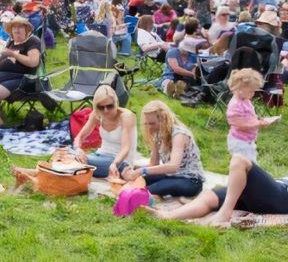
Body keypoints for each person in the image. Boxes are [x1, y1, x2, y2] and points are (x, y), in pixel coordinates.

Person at [145, 154, 288, 225]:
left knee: (240, 160)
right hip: (274, 188)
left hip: (281, 196)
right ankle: (167, 216)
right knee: (209, 196)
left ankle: (224, 213)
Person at [0, 16, 42, 132]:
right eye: (14, 27)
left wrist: (14, 54)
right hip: (3, 78)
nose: (17, 30)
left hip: (24, 80)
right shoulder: (11, 41)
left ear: (26, 29)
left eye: (20, 27)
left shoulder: (33, 41)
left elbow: (33, 62)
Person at [122, 101, 205, 197]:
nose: (149, 127)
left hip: (189, 180)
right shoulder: (158, 134)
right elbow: (154, 164)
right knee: (140, 181)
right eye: (147, 124)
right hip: (171, 175)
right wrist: (133, 168)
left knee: (147, 190)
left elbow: (173, 166)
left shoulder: (179, 135)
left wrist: (141, 171)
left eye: (152, 123)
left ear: (163, 120)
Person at [72, 85, 138, 178]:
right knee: (71, 155)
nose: (106, 111)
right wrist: (78, 150)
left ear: (116, 103)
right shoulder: (96, 114)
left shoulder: (126, 117)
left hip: (121, 161)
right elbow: (80, 137)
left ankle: (79, 167)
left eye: (110, 106)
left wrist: (114, 164)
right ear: (96, 107)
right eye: (101, 107)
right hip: (100, 156)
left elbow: (125, 149)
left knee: (75, 161)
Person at [226, 69, 277, 162]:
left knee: (251, 167)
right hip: (239, 142)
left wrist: (258, 119)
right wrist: (258, 124)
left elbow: (248, 116)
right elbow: (240, 125)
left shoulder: (245, 100)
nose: (253, 94)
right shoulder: (235, 105)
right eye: (251, 91)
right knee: (246, 167)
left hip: (248, 141)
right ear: (240, 89)